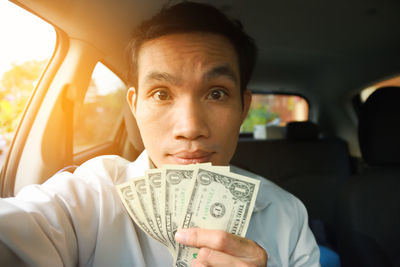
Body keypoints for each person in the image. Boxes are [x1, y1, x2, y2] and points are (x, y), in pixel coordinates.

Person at [0, 2, 321, 266]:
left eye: (217, 93)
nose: (190, 127)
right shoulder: (90, 197)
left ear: (243, 107)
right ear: (135, 106)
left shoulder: (287, 215)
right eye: (162, 94)